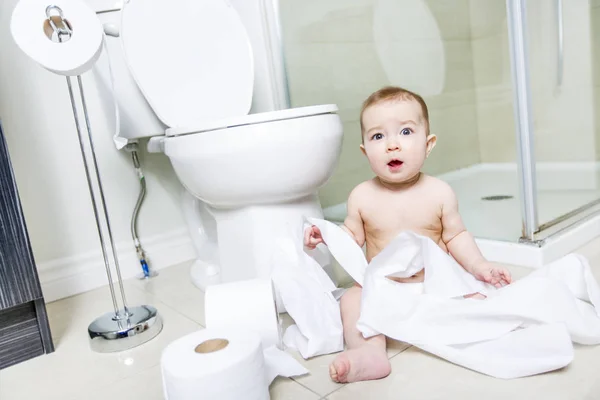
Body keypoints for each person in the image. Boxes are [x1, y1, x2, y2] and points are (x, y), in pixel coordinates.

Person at [304, 86, 512, 384]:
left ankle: (473, 328)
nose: (392, 145)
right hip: (386, 288)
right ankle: (369, 352)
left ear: (428, 145)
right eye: (378, 136)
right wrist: (327, 236)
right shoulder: (362, 196)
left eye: (405, 132)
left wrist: (479, 266)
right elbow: (351, 237)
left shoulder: (439, 192)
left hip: (434, 285)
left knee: (480, 298)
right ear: (365, 151)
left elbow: (456, 237)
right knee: (351, 300)